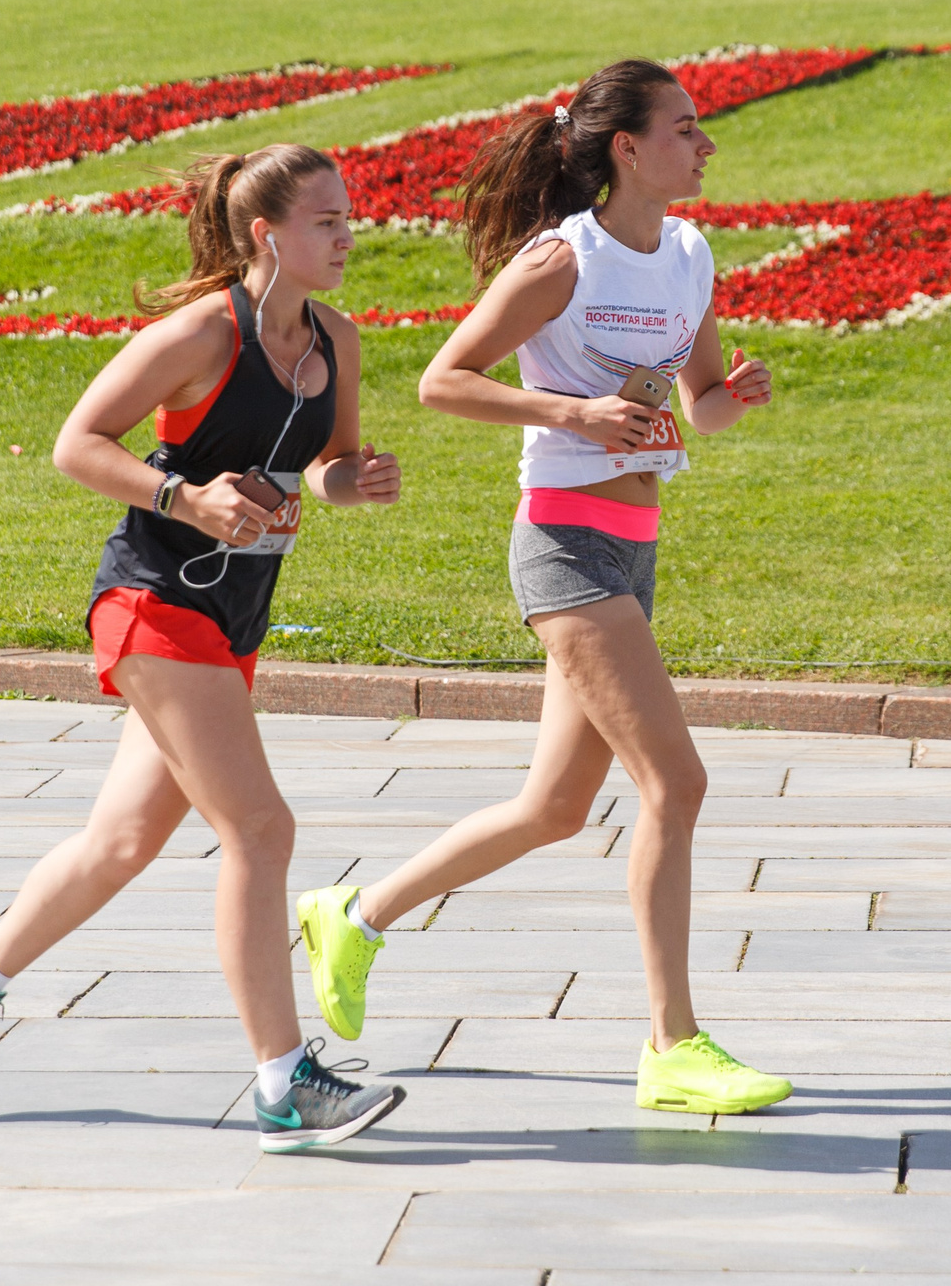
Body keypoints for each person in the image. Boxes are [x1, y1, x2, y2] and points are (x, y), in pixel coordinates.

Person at [295, 59, 789, 1116]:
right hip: (564, 545)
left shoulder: (688, 255)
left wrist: (734, 396)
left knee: (554, 808)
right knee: (676, 783)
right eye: (685, 128)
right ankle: (672, 1044)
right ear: (627, 148)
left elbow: (698, 404)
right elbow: (443, 380)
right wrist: (572, 414)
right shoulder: (564, 258)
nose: (706, 144)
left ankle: (356, 915)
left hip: (636, 544)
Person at [0, 142, 407, 1155]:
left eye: (347, 216)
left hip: (233, 614)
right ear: (266, 234)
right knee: (261, 830)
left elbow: (325, 462)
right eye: (325, 221)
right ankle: (283, 1086)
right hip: (151, 600)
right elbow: (78, 443)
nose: (348, 235)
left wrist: (349, 484)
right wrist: (186, 497)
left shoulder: (338, 339)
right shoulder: (199, 334)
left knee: (122, 844)